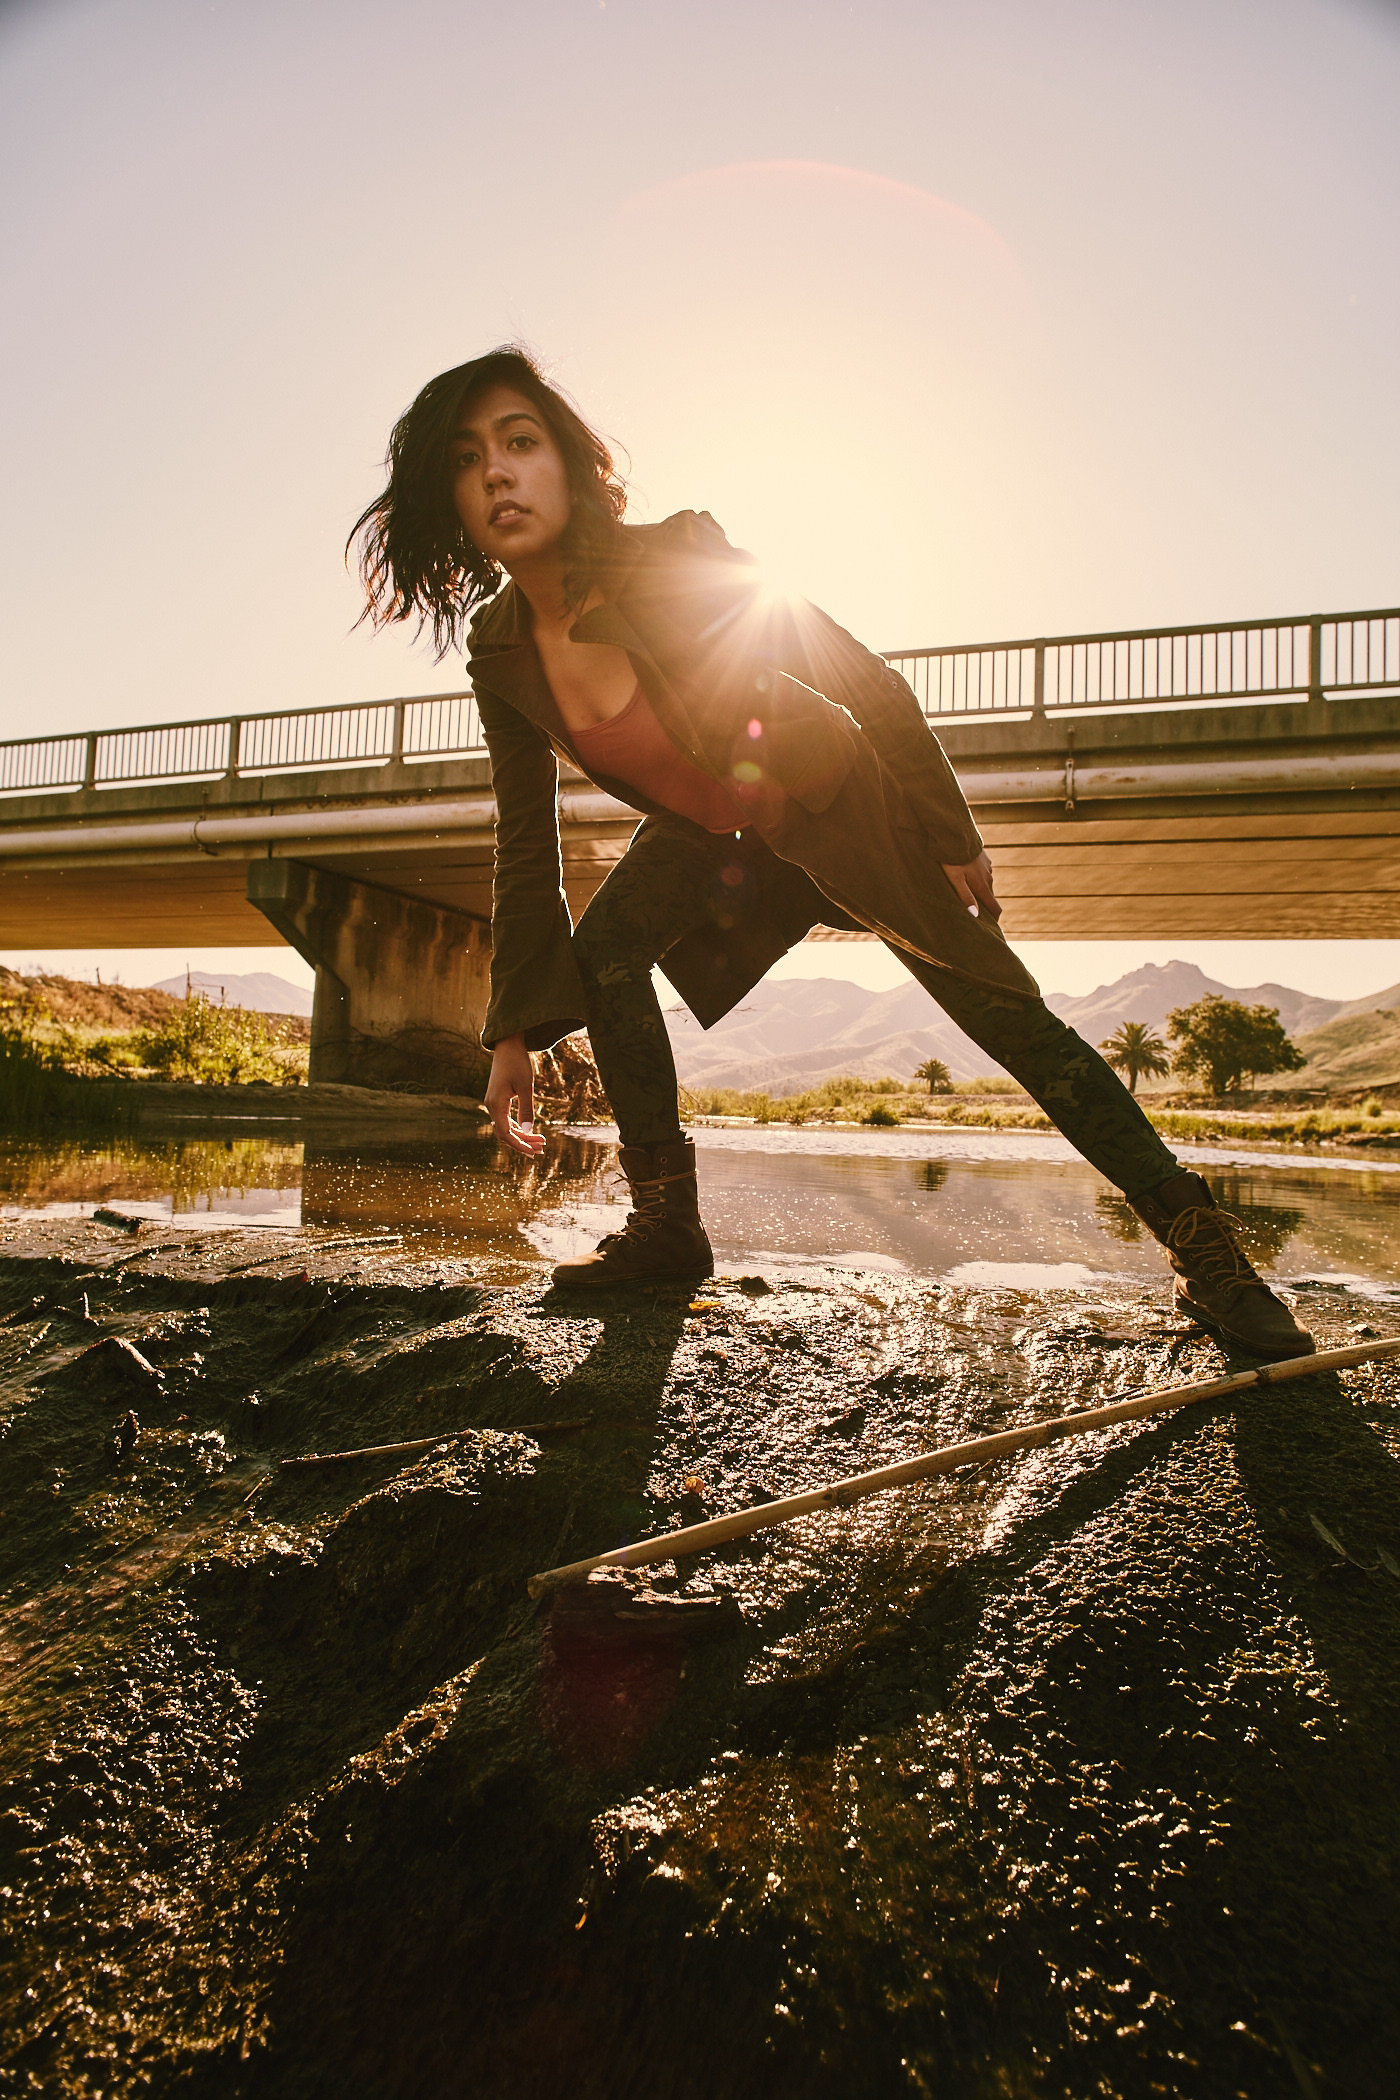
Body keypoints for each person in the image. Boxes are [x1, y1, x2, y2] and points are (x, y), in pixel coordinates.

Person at [351, 346, 1312, 1360]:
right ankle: (667, 1226)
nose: (497, 473)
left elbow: (853, 670)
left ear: (568, 463)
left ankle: (1208, 1256)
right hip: (714, 831)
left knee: (1000, 1011)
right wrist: (513, 1031)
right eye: (467, 459)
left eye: (520, 442)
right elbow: (522, 838)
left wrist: (947, 831)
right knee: (606, 949)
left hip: (827, 791)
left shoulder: (671, 553)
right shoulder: (498, 650)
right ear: (444, 499)